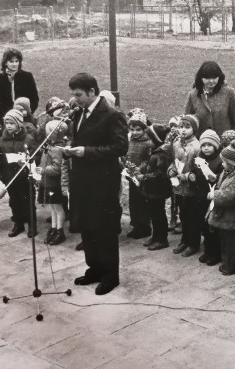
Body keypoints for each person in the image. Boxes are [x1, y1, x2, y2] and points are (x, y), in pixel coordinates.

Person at [65, 73, 128, 296]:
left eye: (78, 94)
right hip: (82, 181)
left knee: (104, 229)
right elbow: (82, 139)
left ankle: (111, 275)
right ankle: (95, 268)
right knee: (87, 227)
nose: (75, 99)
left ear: (92, 92)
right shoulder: (79, 113)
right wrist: (70, 150)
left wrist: (86, 152)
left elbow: (120, 147)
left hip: (103, 183)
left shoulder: (112, 114)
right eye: (73, 94)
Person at [207, 142, 235, 276]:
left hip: (232, 216)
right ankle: (228, 263)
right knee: (225, 240)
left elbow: (230, 195)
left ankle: (233, 265)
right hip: (225, 215)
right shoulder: (227, 173)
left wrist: (214, 195)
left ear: (231, 163)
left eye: (224, 162)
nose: (222, 164)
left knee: (232, 243)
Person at [0, 109, 33, 237]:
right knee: (14, 201)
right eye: (7, 123)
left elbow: (35, 156)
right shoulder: (1, 141)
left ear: (19, 124)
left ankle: (32, 225)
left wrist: (26, 159)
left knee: (27, 201)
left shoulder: (28, 139)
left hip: (25, 176)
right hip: (9, 176)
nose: (9, 125)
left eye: (12, 123)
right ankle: (18, 224)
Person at [169, 115, 203, 257]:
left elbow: (199, 168)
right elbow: (173, 160)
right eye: (181, 127)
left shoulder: (197, 147)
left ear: (194, 129)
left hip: (191, 188)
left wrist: (188, 176)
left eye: (187, 127)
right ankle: (185, 240)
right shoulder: (177, 143)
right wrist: (171, 169)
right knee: (183, 215)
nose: (183, 130)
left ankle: (193, 243)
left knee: (192, 216)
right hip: (179, 187)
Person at [184, 61, 235, 136]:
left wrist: (233, 140)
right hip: (201, 145)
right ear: (201, 78)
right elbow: (186, 123)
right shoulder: (193, 95)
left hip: (224, 145)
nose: (211, 81)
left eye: (214, 77)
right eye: (207, 78)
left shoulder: (229, 93)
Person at [38, 119, 71, 245]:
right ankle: (54, 228)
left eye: (48, 132)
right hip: (47, 182)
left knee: (58, 207)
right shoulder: (50, 147)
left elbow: (57, 169)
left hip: (54, 183)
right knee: (53, 207)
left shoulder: (57, 149)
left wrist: (43, 170)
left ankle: (59, 230)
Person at [123, 110, 155, 241]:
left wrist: (139, 170)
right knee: (133, 202)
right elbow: (127, 154)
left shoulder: (148, 143)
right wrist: (125, 164)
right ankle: (136, 224)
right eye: (132, 129)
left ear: (144, 129)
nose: (135, 132)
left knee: (142, 202)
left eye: (138, 130)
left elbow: (149, 160)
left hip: (142, 177)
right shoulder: (130, 140)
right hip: (131, 176)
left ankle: (144, 226)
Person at [140, 128, 173, 251]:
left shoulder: (162, 153)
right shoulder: (155, 151)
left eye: (150, 138)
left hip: (158, 189)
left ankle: (162, 239)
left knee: (159, 214)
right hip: (151, 189)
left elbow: (159, 173)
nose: (147, 140)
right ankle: (155, 236)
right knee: (153, 213)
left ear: (155, 139)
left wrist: (144, 176)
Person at [0, 48, 39, 133]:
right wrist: (9, 113)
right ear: (5, 62)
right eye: (11, 61)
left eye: (16, 61)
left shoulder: (27, 76)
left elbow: (34, 99)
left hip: (25, 119)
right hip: (7, 120)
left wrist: (26, 111)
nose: (14, 64)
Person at [194, 129, 223, 264]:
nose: (206, 148)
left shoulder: (219, 162)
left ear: (215, 146)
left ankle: (215, 253)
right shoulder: (199, 159)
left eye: (209, 145)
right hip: (200, 196)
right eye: (203, 145)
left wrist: (212, 177)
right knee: (203, 226)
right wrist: (191, 177)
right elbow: (194, 173)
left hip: (212, 198)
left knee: (213, 227)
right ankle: (207, 250)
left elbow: (219, 179)